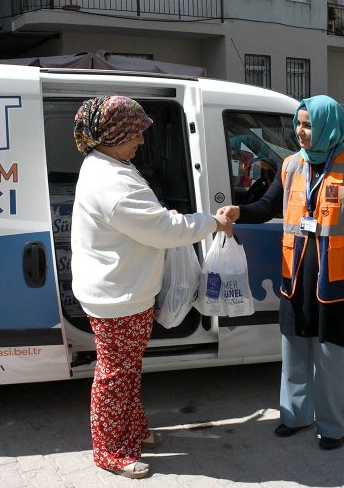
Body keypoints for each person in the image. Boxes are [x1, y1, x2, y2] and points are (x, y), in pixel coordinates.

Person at [70, 95, 233, 479]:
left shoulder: (107, 164)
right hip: (117, 296)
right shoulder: (112, 181)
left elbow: (149, 220)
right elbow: (161, 230)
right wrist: (211, 222)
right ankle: (110, 450)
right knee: (115, 373)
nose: (141, 142)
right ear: (113, 134)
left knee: (126, 368)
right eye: (135, 134)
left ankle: (130, 431)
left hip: (122, 291)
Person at [217, 95, 344, 450]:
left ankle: (335, 425)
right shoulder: (291, 165)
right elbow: (265, 207)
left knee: (332, 356)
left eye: (307, 125)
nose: (300, 132)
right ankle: (295, 415)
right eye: (298, 124)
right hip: (295, 277)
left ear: (327, 126)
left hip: (335, 280)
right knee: (293, 351)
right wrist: (238, 212)